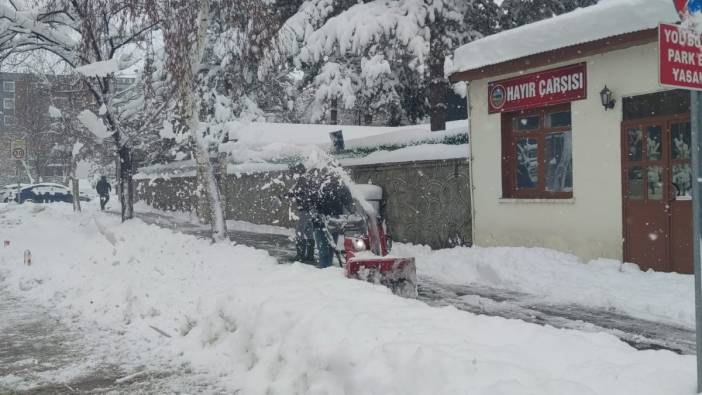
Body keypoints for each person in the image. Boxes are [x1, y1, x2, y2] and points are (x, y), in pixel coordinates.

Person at [308, 167, 353, 268]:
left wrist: (352, 212)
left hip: (334, 221)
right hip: (320, 222)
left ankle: (327, 269)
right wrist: (316, 213)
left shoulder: (341, 187)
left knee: (330, 248)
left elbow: (349, 202)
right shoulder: (318, 186)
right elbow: (311, 202)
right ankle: (325, 268)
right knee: (324, 248)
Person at [288, 163, 316, 263]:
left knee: (299, 232)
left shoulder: (302, 180)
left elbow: (298, 193)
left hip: (304, 210)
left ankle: (300, 256)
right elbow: (296, 192)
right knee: (308, 233)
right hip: (309, 210)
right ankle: (310, 256)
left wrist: (292, 196)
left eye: (295, 170)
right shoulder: (307, 178)